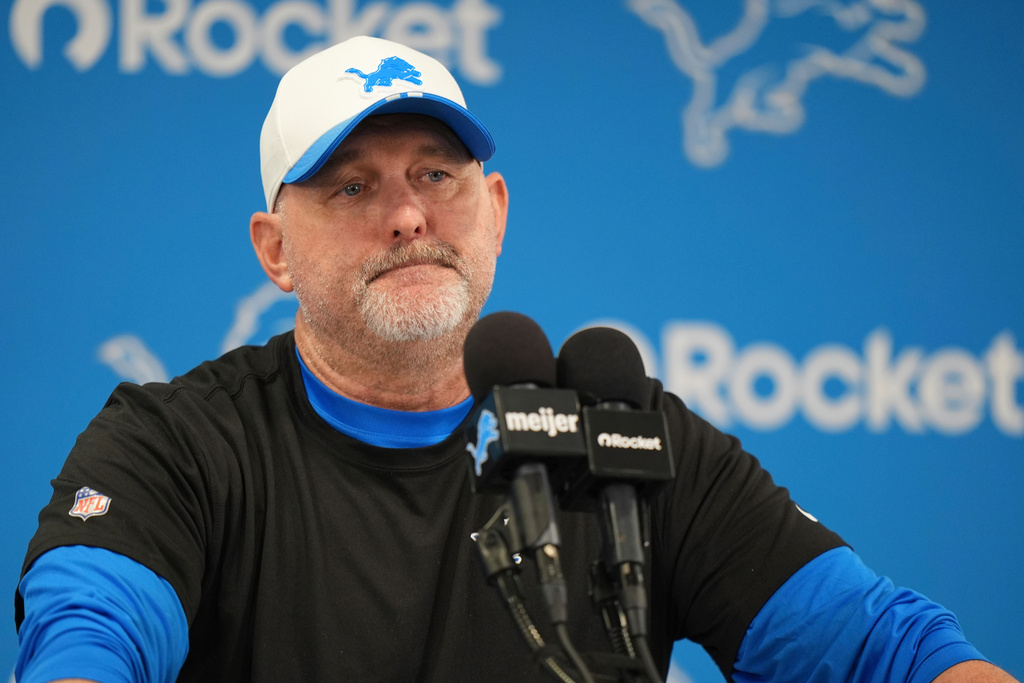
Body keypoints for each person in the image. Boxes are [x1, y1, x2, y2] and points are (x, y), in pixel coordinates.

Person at [12, 35, 1018, 683]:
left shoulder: (627, 437)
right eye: (352, 187)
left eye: (436, 174)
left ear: (492, 211)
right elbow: (90, 636)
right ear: (275, 249)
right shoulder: (177, 441)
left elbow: (884, 646)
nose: (407, 213)